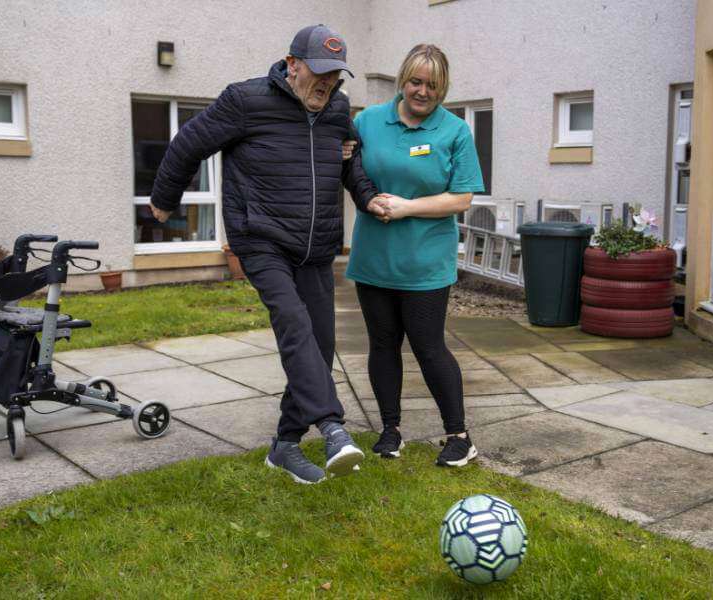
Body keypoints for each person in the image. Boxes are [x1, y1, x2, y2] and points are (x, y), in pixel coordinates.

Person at [150, 24, 385, 484]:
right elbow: (187, 145)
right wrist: (164, 199)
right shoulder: (245, 101)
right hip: (260, 238)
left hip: (315, 245)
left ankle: (285, 446)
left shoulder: (336, 107)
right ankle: (333, 428)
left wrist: (367, 197)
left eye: (335, 75)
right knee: (293, 323)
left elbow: (348, 161)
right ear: (292, 64)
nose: (328, 84)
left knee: (320, 344)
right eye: (319, 72)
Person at [344, 44, 484, 467]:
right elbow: (353, 171)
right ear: (404, 79)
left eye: (433, 85)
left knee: (428, 346)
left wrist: (406, 207)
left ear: (443, 89)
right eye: (416, 82)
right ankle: (390, 431)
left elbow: (462, 198)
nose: (423, 92)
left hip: (425, 263)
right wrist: (368, 202)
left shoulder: (454, 131)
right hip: (373, 258)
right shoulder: (367, 121)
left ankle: (459, 436)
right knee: (382, 344)